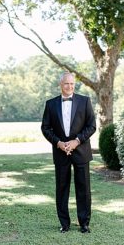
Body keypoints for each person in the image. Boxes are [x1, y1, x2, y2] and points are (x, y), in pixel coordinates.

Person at [41, 72, 97, 233]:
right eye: (67, 84)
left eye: (72, 84)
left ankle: (84, 223)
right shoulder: (50, 104)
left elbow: (91, 126)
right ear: (61, 85)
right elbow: (45, 127)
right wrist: (58, 143)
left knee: (83, 189)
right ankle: (64, 223)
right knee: (62, 188)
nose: (70, 86)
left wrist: (77, 141)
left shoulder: (84, 101)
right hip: (60, 152)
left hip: (81, 151)